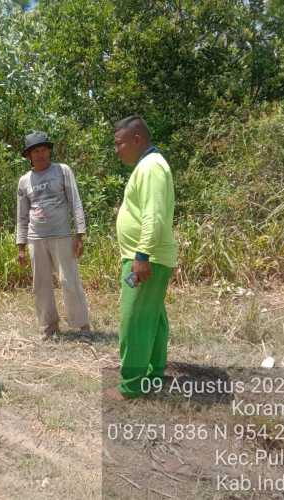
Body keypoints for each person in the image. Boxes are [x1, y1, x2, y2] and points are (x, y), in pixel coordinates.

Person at [106, 115, 178, 401]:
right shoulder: (151, 166)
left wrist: (141, 256)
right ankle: (153, 372)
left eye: (119, 143)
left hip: (147, 258)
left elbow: (153, 216)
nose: (117, 149)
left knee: (134, 319)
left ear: (137, 139)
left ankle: (132, 385)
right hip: (151, 256)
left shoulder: (151, 167)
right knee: (152, 316)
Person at [16, 131, 90, 339]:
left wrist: (80, 233)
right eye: (35, 151)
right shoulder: (24, 181)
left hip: (62, 235)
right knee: (40, 285)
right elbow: (21, 215)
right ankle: (49, 328)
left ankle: (82, 325)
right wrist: (21, 246)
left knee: (69, 280)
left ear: (49, 151)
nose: (40, 154)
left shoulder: (62, 171)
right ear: (29, 156)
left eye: (43, 150)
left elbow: (75, 201)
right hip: (35, 238)